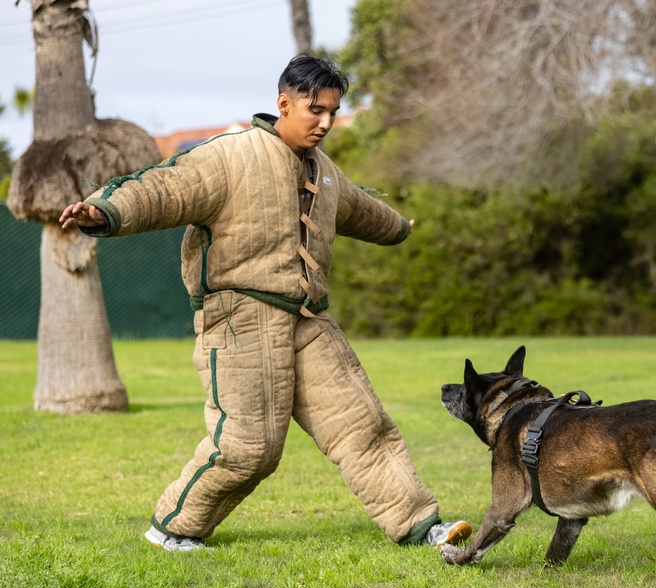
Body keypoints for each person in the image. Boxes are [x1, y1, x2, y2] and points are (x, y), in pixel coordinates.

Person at [59, 54, 471, 552]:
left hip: (308, 322)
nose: (325, 122)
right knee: (248, 449)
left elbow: (362, 209)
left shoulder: (327, 173)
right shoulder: (229, 157)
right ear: (284, 103)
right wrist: (102, 210)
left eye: (333, 112)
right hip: (240, 321)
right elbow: (162, 187)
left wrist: (400, 228)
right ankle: (173, 528)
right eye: (315, 109)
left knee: (363, 426)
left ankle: (421, 524)